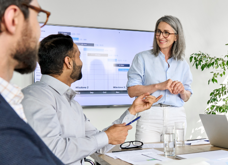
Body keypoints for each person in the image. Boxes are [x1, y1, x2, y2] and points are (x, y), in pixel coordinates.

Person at [21, 34, 162, 165]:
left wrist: (132, 110)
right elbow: (53, 152)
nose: (81, 62)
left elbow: (100, 144)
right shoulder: (36, 97)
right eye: (78, 56)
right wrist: (105, 137)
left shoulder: (71, 103)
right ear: (68, 62)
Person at [0, 0, 64, 164]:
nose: (39, 32)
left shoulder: (10, 102)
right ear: (13, 18)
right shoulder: (5, 128)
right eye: (37, 16)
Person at [127, 15, 193, 142]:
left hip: (176, 116)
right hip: (150, 115)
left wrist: (182, 91)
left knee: (175, 159)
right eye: (158, 31)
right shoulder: (142, 58)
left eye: (166, 33)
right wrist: (158, 86)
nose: (161, 36)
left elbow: (187, 96)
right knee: (146, 159)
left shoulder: (183, 63)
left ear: (176, 37)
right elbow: (131, 91)